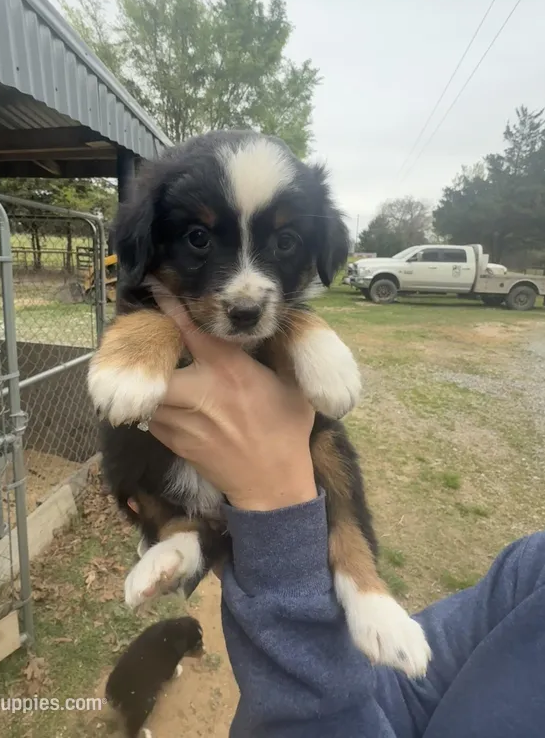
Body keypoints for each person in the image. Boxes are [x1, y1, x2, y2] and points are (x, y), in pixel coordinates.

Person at [148, 290, 545, 738]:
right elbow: (408, 691)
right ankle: (184, 532)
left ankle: (352, 578)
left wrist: (272, 499)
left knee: (329, 447)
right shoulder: (533, 573)